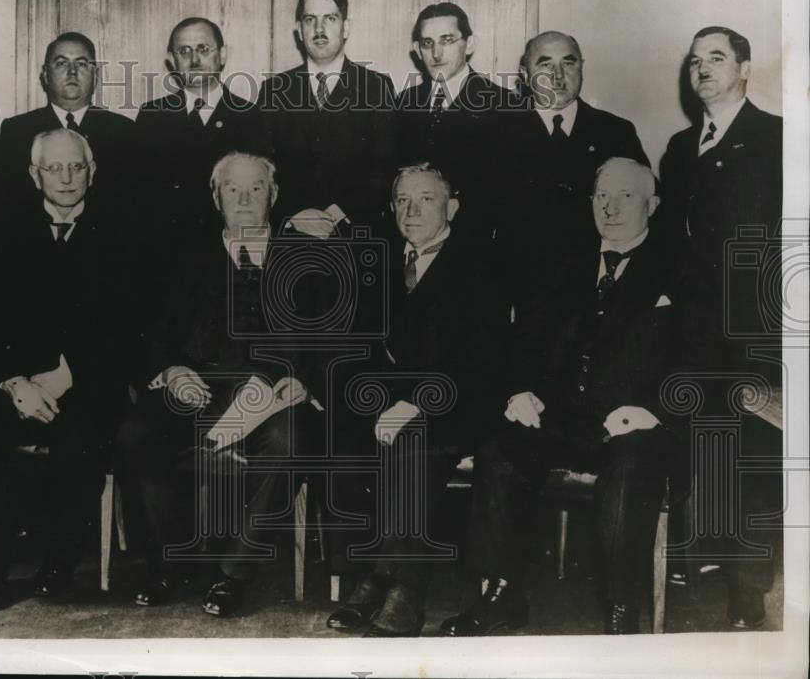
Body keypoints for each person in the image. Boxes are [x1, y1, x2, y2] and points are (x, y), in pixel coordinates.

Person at [441, 158, 680, 636]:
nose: (610, 207)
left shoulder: (682, 265)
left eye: (626, 196)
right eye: (601, 196)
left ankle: (621, 610)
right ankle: (501, 594)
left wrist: (652, 407)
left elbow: (703, 355)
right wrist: (520, 391)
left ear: (652, 205)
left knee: (630, 468)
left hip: (636, 425)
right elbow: (522, 342)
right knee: (500, 450)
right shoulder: (564, 261)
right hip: (565, 418)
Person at [115, 151, 317, 618]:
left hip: (273, 398)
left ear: (275, 195)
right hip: (197, 392)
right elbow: (152, 332)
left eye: (256, 189)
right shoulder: (182, 255)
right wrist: (173, 371)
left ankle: (233, 574)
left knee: (290, 441)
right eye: (232, 189)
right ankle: (172, 559)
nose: (244, 199)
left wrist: (304, 381)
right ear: (215, 196)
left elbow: (334, 338)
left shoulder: (308, 259)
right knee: (136, 434)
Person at [0, 129, 134, 611]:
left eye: (76, 166)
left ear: (92, 172)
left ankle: (59, 559)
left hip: (87, 382)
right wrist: (15, 382)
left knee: (79, 440)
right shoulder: (1, 232)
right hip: (14, 383)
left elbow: (130, 324)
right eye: (54, 168)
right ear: (35, 176)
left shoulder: (124, 232)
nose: (67, 177)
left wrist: (65, 378)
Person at [325, 164, 508, 636]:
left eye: (426, 199)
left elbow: (481, 360)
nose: (412, 209)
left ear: (452, 207)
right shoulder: (377, 261)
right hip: (387, 404)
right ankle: (369, 577)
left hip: (456, 404)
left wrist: (416, 402)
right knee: (342, 440)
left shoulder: (481, 264)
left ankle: (405, 592)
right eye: (402, 199)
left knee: (411, 444)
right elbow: (353, 346)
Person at [658, 26, 783, 629]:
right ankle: (692, 561)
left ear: (745, 68)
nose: (702, 68)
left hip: (754, 327)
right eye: (694, 61)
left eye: (716, 58)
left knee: (752, 451)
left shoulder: (778, 138)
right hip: (691, 328)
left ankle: (747, 588)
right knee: (699, 443)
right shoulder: (680, 148)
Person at [494, 31, 649, 321]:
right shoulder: (496, 134)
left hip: (592, 298)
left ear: (582, 68)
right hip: (517, 297)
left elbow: (643, 214)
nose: (558, 75)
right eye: (545, 64)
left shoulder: (615, 132)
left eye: (569, 63)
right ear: (525, 74)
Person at [258, 0, 397, 236]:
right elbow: (263, 169)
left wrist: (334, 215)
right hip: (292, 238)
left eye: (330, 18)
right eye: (310, 19)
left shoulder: (376, 87)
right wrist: (295, 213)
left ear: (346, 27)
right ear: (299, 30)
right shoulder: (274, 90)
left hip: (357, 238)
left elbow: (386, 168)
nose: (319, 29)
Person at [136, 17, 263, 251]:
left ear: (222, 55)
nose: (194, 60)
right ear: (172, 60)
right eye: (184, 51)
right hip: (166, 253)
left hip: (227, 256)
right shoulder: (151, 117)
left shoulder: (252, 118)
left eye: (203, 49)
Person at [394, 3, 512, 243]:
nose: (436, 53)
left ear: (469, 44)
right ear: (417, 49)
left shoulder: (504, 104)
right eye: (427, 43)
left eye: (447, 40)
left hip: (477, 248)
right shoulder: (405, 101)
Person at [0, 31, 137, 211]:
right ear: (46, 74)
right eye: (61, 63)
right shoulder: (17, 130)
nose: (72, 72)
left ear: (96, 75)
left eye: (81, 63)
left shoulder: (123, 131)